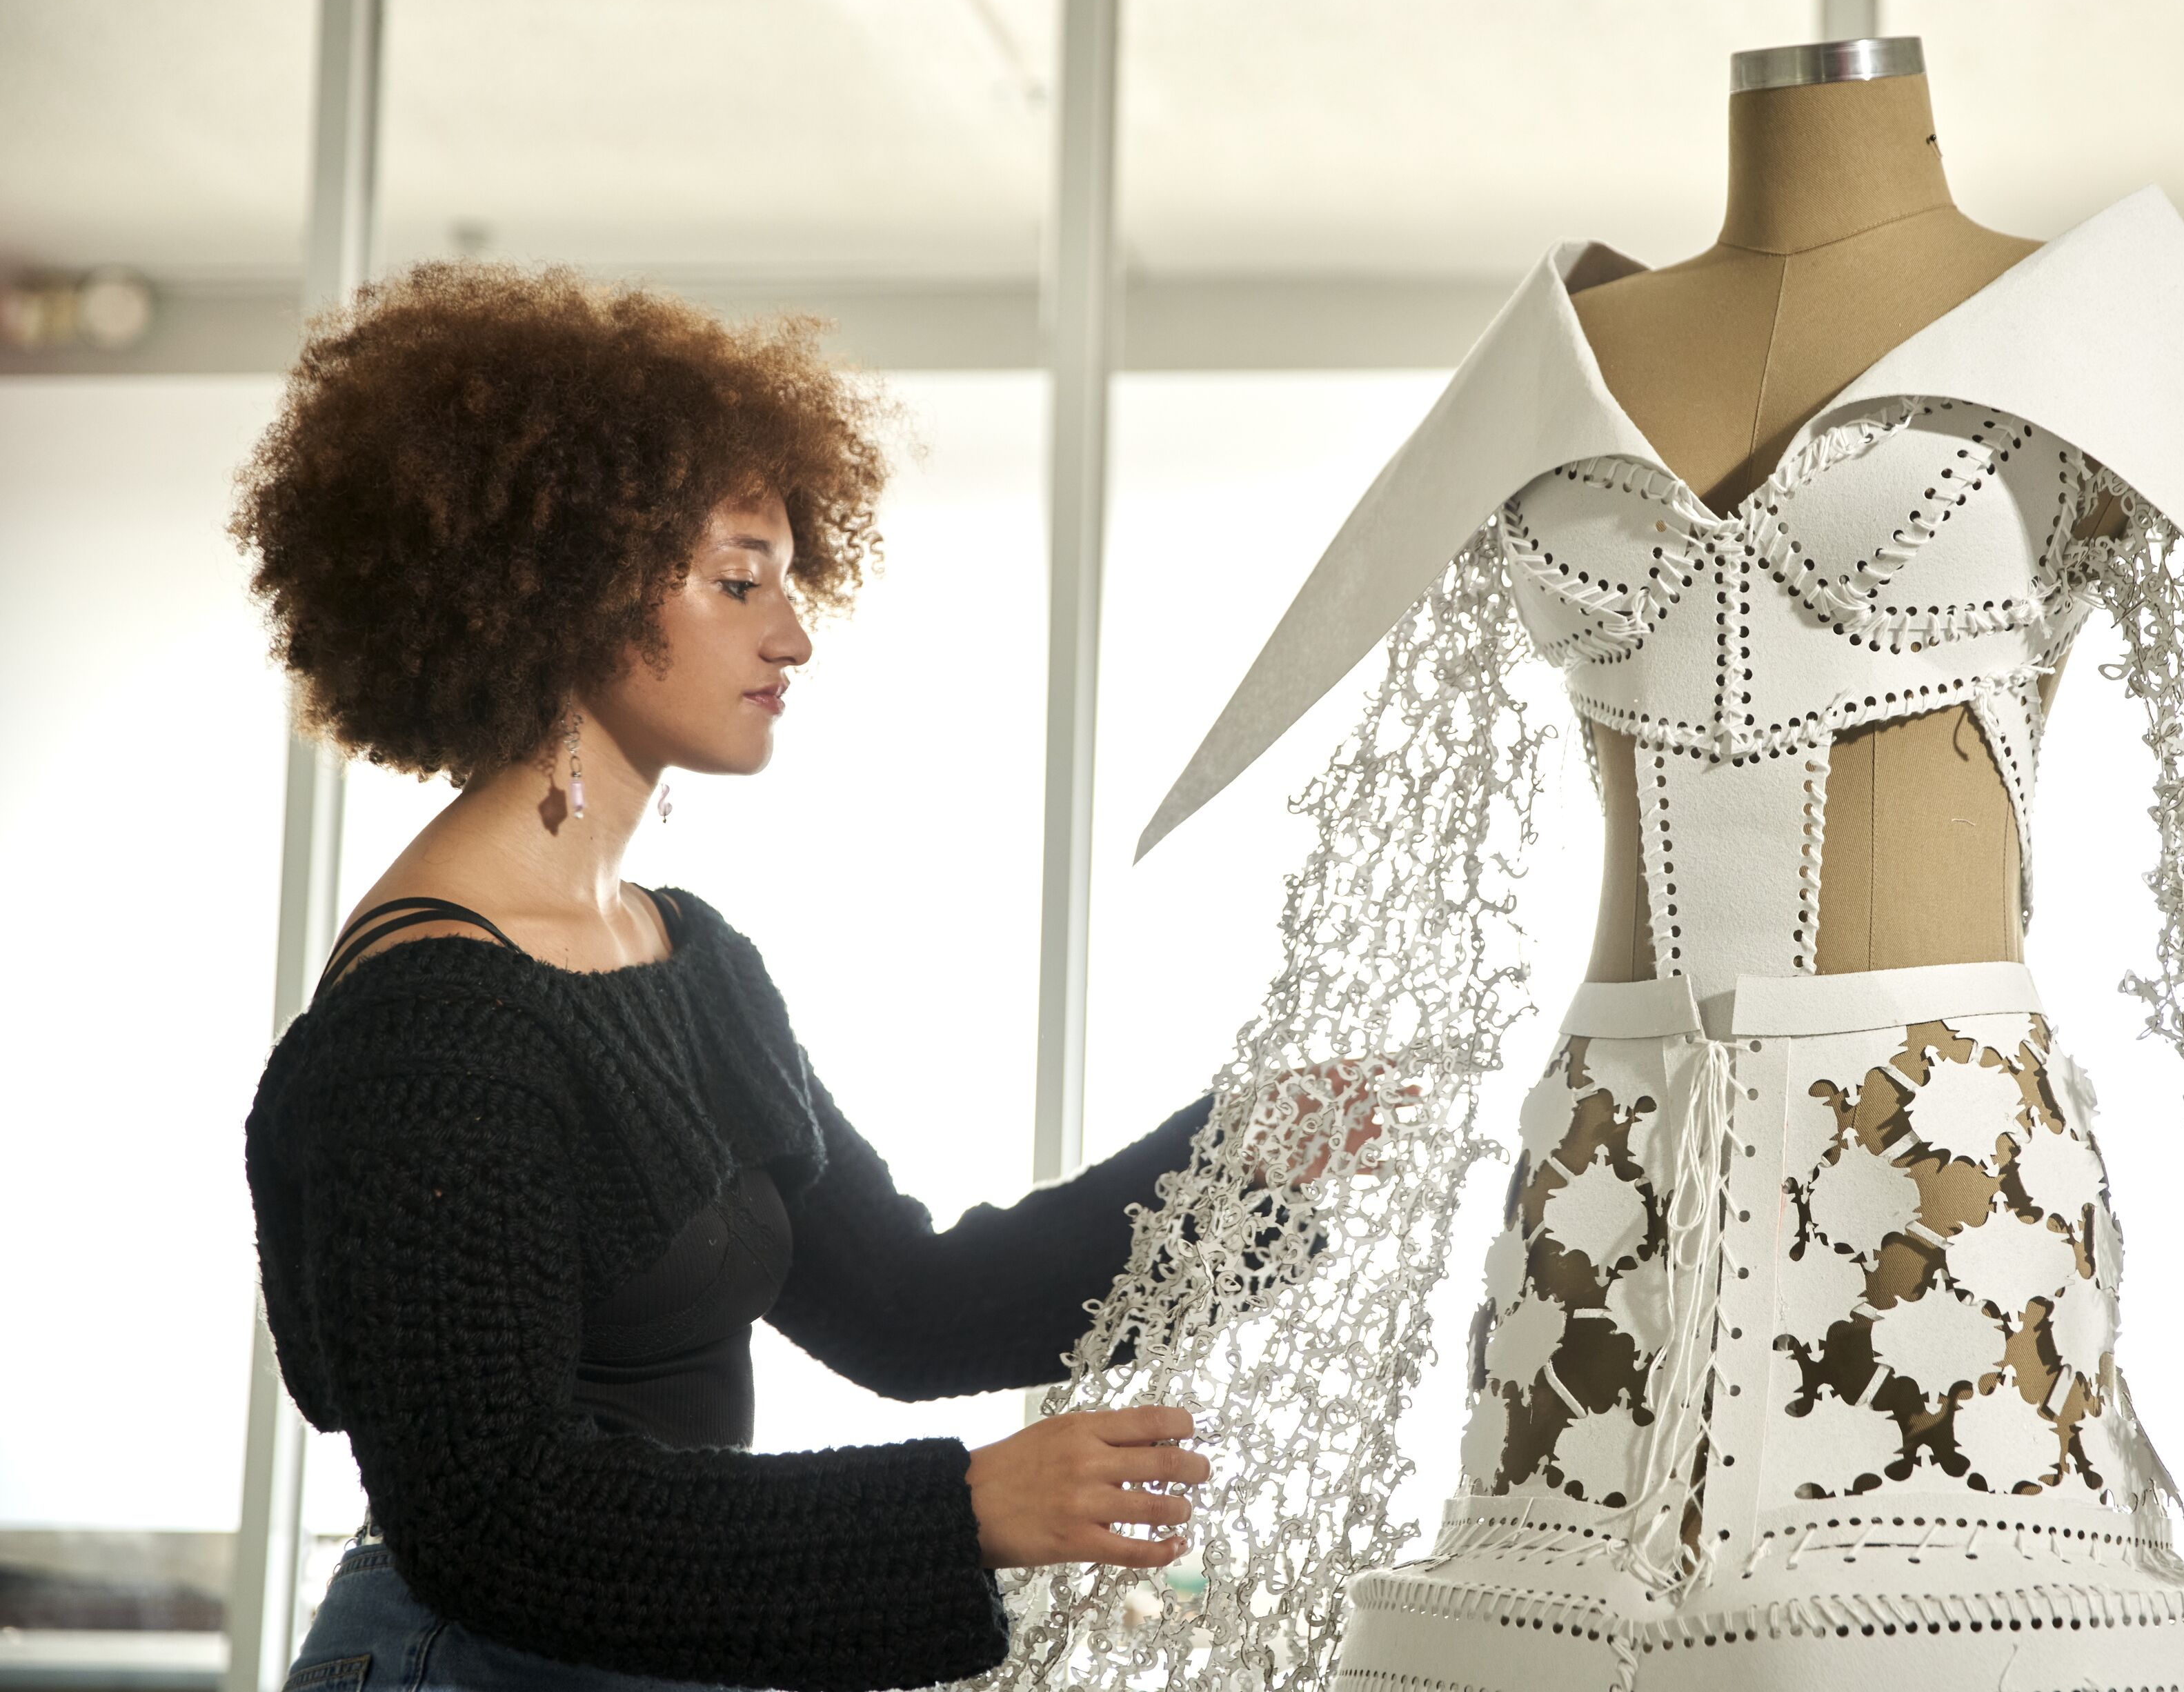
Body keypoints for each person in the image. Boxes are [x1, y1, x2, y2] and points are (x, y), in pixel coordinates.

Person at [232, 265, 1353, 1692]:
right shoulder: (427, 1028)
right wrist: (960, 1510)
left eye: (791, 578)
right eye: (737, 578)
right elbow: (494, 1522)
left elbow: (912, 1307)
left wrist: (1251, 1160)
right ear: (566, 585)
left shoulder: (690, 961)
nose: (793, 632)